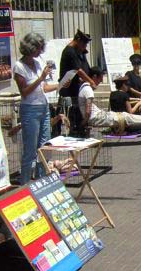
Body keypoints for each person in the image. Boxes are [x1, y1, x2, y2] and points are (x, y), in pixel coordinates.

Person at [14, 33, 61, 185]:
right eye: (38, 48)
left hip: (44, 107)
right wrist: (40, 78)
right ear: (31, 48)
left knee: (44, 147)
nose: (41, 51)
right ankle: (25, 183)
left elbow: (44, 88)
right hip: (30, 109)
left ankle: (41, 181)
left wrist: (60, 85)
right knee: (30, 149)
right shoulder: (19, 66)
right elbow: (24, 92)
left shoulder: (38, 63)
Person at [79, 67, 141, 132]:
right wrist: (83, 124)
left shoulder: (84, 87)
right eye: (100, 79)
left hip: (100, 116)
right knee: (125, 117)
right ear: (94, 76)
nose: (100, 81)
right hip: (97, 117)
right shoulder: (88, 90)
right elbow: (88, 112)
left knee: (125, 116)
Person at [58, 29, 94, 102]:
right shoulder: (70, 51)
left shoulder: (78, 52)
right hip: (68, 91)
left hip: (75, 89)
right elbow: (78, 70)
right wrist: (91, 82)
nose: (85, 46)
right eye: (84, 44)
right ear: (78, 40)